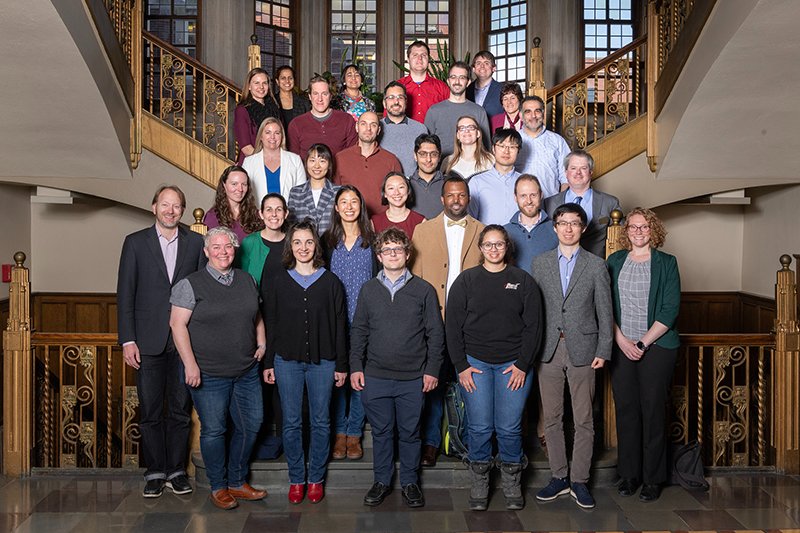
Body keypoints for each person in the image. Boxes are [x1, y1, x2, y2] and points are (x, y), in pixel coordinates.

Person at [168, 226, 267, 510]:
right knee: (215, 430)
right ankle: (219, 485)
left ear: (235, 250)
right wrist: (190, 365)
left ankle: (237, 481)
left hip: (246, 369)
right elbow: (177, 325)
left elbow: (256, 314)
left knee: (252, 424)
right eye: (217, 247)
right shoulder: (190, 284)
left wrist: (261, 342)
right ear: (206, 251)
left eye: (228, 247)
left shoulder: (247, 280)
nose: (223, 252)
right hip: (208, 372)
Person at [446, 225, 542, 511]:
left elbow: (534, 327)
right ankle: (479, 482)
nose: (494, 249)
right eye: (488, 244)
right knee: (479, 427)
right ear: (480, 248)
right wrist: (461, 366)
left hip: (514, 365)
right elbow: (452, 327)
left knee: (509, 427)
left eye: (499, 244)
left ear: (507, 247)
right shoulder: (466, 281)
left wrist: (523, 365)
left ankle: (512, 481)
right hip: (474, 364)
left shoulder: (523, 281)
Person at [117, 185, 205, 498]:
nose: (170, 211)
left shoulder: (196, 243)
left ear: (183, 210)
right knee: (151, 409)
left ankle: (177, 471)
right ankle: (155, 472)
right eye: (164, 205)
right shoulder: (135, 243)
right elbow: (125, 294)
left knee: (180, 410)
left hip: (184, 341)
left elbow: (201, 293)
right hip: (147, 340)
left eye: (176, 206)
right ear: (154, 207)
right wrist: (127, 339)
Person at [350, 228, 445, 508]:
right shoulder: (368, 290)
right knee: (381, 433)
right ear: (379, 256)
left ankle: (410, 483)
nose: (393, 254)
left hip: (413, 378)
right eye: (387, 250)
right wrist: (356, 366)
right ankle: (381, 481)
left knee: (410, 433)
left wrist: (432, 370)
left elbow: (436, 334)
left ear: (407, 254)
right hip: (376, 375)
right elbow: (359, 331)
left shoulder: (423, 290)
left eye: (398, 249)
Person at [531, 203, 613, 510]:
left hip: (584, 350)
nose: (568, 228)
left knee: (584, 420)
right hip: (548, 349)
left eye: (574, 223)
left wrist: (604, 349)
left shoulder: (595, 265)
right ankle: (558, 477)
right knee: (551, 418)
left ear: (582, 228)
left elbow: (605, 311)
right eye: (563, 223)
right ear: (554, 228)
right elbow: (535, 310)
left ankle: (579, 481)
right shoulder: (540, 263)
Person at [262, 220, 348, 504]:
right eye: (297, 242)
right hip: (286, 362)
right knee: (291, 422)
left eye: (308, 242)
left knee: (322, 421)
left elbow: (339, 326)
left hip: (323, 362)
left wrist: (341, 365)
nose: (303, 248)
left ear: (316, 246)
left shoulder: (331, 282)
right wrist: (269, 363)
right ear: (290, 246)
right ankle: (297, 478)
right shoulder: (278, 281)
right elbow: (271, 324)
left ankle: (316, 479)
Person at [607, 208, 681, 503]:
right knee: (626, 410)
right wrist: (622, 340)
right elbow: (605, 305)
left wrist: (642, 344)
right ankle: (629, 474)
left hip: (657, 347)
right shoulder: (614, 261)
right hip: (620, 345)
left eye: (644, 226)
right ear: (626, 232)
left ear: (654, 231)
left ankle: (652, 478)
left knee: (652, 411)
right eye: (633, 227)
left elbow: (669, 309)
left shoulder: (667, 263)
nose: (638, 231)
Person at [411, 176, 485, 467]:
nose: (456, 200)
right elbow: (415, 279)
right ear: (442, 199)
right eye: (451, 196)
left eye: (462, 195)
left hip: (470, 322)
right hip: (433, 319)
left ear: (468, 199)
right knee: (432, 384)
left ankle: (465, 440)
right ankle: (430, 443)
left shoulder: (483, 232)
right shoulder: (422, 230)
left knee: (470, 384)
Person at [323, 185, 378, 461]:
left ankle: (354, 433)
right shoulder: (326, 241)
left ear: (361, 206)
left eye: (353, 201)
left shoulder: (372, 241)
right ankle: (339, 433)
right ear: (335, 208)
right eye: (343, 201)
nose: (348, 206)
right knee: (337, 378)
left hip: (365, 323)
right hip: (334, 323)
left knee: (360, 379)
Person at [543, 149, 621, 258]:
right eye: (573, 168)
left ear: (591, 172)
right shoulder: (549, 203)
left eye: (583, 168)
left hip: (596, 266)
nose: (578, 172)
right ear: (566, 172)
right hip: (559, 266)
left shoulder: (610, 203)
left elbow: (620, 240)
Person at [334, 111, 403, 217]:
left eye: (373, 125)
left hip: (382, 225)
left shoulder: (391, 160)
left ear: (378, 130)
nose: (368, 129)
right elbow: (334, 195)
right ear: (357, 127)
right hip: (349, 223)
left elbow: (399, 197)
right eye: (363, 124)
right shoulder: (340, 158)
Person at [425, 62, 491, 158]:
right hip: (440, 168)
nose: (457, 81)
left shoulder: (479, 111)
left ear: (468, 82)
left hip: (472, 167)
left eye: (462, 78)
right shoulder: (434, 111)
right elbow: (426, 145)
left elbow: (486, 147)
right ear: (448, 81)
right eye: (453, 77)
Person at [287, 75, 358, 158]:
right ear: (310, 96)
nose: (320, 99)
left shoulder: (347, 121)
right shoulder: (296, 124)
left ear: (330, 96)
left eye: (324, 94)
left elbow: (353, 156)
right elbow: (294, 161)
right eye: (315, 94)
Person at [515, 95, 570, 199]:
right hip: (521, 206)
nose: (533, 116)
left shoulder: (557, 141)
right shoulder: (513, 141)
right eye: (528, 112)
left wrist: (559, 202)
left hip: (551, 204)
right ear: (521, 116)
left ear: (543, 114)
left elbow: (566, 177)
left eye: (537, 111)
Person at [242, 117, 307, 205]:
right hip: (257, 216)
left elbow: (302, 194)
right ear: (261, 136)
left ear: (282, 136)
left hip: (288, 216)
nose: (272, 137)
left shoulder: (295, 160)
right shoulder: (249, 162)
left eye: (277, 133)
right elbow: (245, 196)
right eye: (268, 132)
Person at [504, 174, 558, 273]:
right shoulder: (504, 232)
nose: (529, 201)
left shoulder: (557, 229)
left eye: (533, 195)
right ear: (515, 197)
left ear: (541, 195)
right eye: (523, 196)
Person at [468, 128, 523, 225]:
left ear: (518, 151)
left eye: (512, 147)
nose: (506, 151)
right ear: (493, 149)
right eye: (501, 146)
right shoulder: (477, 182)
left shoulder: (525, 183)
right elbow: (471, 220)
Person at [288, 144, 340, 235]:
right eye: (312, 160)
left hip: (333, 246)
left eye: (322, 161)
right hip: (304, 247)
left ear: (329, 165)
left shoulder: (338, 192)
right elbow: (291, 226)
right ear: (306, 163)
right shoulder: (296, 192)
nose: (317, 166)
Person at [203, 165, 264, 244]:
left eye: (244, 184)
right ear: (224, 185)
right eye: (234, 184)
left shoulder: (256, 215)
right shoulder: (213, 216)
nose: (240, 189)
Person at [239, 192, 289, 287]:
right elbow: (239, 278)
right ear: (261, 214)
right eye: (268, 209)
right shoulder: (249, 242)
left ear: (286, 214)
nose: (274, 214)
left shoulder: (293, 243)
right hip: (256, 300)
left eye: (279, 209)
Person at [379, 81, 428, 176]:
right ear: (384, 103)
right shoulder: (376, 128)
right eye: (391, 97)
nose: (396, 102)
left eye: (400, 97)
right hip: (382, 185)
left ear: (406, 102)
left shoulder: (420, 129)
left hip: (412, 185)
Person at [234, 67, 281, 164]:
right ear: (249, 86)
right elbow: (246, 147)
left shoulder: (275, 107)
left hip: (276, 161)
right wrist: (268, 163)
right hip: (254, 162)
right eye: (257, 83)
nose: (261, 87)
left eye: (264, 83)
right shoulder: (242, 110)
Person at [396, 40, 449, 123]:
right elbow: (388, 118)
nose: (419, 58)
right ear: (408, 59)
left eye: (423, 55)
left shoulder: (442, 87)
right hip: (404, 135)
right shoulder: (397, 87)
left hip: (433, 135)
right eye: (415, 55)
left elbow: (449, 117)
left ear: (428, 59)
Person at [370, 171, 425, 238]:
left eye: (401, 187)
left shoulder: (420, 221)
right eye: (391, 188)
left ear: (408, 191)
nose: (396, 192)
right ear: (385, 193)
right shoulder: (374, 222)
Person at [441, 115, 494, 180]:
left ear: (478, 133)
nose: (466, 131)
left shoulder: (491, 160)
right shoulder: (448, 161)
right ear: (458, 135)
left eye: (471, 127)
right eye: (462, 128)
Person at [408, 133, 446, 220]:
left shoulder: (448, 184)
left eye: (433, 154)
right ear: (415, 156)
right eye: (423, 154)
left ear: (439, 156)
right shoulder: (406, 185)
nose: (428, 159)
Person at [466, 51, 504, 120]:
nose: (482, 66)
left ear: (494, 68)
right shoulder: (466, 91)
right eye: (478, 63)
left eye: (486, 63)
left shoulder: (503, 90)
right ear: (473, 69)